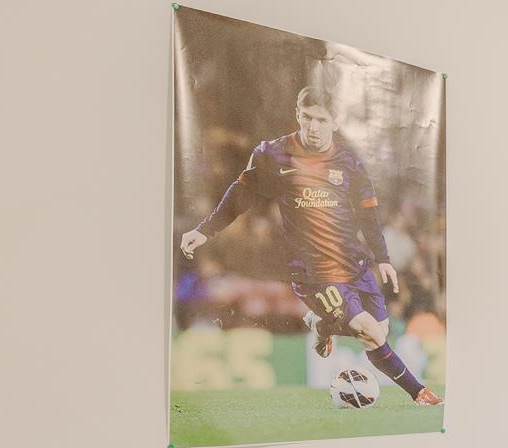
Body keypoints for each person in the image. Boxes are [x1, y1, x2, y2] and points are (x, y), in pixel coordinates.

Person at [179, 80, 442, 405]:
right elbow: (241, 194)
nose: (313, 126)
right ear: (298, 115)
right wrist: (205, 230)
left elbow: (367, 215)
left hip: (355, 264)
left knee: (380, 330)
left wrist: (383, 258)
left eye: (321, 119)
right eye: (307, 117)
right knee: (369, 331)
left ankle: (322, 324)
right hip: (313, 272)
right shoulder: (274, 154)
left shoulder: (349, 164)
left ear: (334, 122)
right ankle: (419, 393)